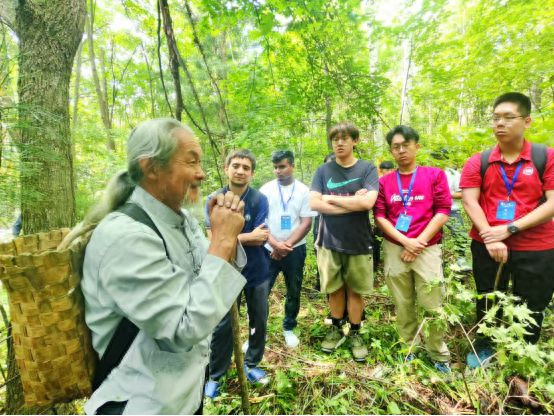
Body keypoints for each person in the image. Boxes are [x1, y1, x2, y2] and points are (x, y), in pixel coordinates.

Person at [80, 118, 247, 414]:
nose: (201, 173)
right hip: (141, 403)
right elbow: (182, 330)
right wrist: (222, 241)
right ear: (151, 168)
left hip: (183, 396)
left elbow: (209, 278)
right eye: (191, 162)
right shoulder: (126, 237)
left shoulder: (181, 220)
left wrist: (227, 238)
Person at [460, 92, 554, 369]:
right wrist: (490, 235)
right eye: (495, 118)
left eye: (508, 117)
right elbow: (469, 200)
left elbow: (552, 203)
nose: (499, 123)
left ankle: (523, 354)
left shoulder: (545, 157)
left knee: (532, 303)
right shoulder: (479, 161)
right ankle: (485, 342)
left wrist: (509, 229)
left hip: (537, 246)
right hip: (486, 244)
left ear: (527, 121)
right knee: (488, 296)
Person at [374, 125, 452, 372]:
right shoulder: (385, 182)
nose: (401, 150)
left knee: (432, 303)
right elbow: (380, 216)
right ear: (391, 151)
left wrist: (417, 244)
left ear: (416, 146)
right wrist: (404, 241)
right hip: (396, 247)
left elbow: (443, 210)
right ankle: (409, 346)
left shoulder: (434, 175)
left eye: (405, 145)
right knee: (402, 302)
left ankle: (438, 354)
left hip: (427, 248)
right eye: (395, 147)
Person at [204, 149, 271, 398]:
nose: (240, 170)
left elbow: (261, 237)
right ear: (226, 168)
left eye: (246, 167)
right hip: (225, 272)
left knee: (259, 319)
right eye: (236, 166)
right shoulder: (214, 199)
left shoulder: (259, 199)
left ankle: (252, 363)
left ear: (252, 173)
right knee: (222, 325)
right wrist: (245, 237)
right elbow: (213, 241)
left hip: (257, 271)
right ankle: (215, 375)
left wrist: (230, 238)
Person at [310, 122, 379, 362]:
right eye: (335, 139)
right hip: (328, 241)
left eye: (344, 138)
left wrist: (330, 200)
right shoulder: (323, 171)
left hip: (358, 241)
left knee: (356, 290)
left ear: (355, 141)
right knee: (335, 289)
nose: (339, 143)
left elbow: (367, 204)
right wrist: (351, 203)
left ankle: (356, 332)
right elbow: (314, 204)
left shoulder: (367, 169)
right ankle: (336, 328)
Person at [260, 150, 316, 348]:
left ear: (291, 166)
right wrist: (275, 244)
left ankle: (289, 327)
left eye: (282, 166)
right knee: (262, 290)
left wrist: (286, 246)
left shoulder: (303, 191)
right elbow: (261, 222)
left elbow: (306, 223)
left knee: (293, 289)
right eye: (275, 167)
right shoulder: (265, 190)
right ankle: (259, 330)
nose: (278, 171)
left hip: (295, 250)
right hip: (268, 249)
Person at [445, 164, 472, 272]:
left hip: (452, 209)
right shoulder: (429, 172)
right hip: (434, 210)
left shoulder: (454, 174)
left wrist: (446, 194)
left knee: (460, 234)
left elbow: (462, 194)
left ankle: (461, 261)